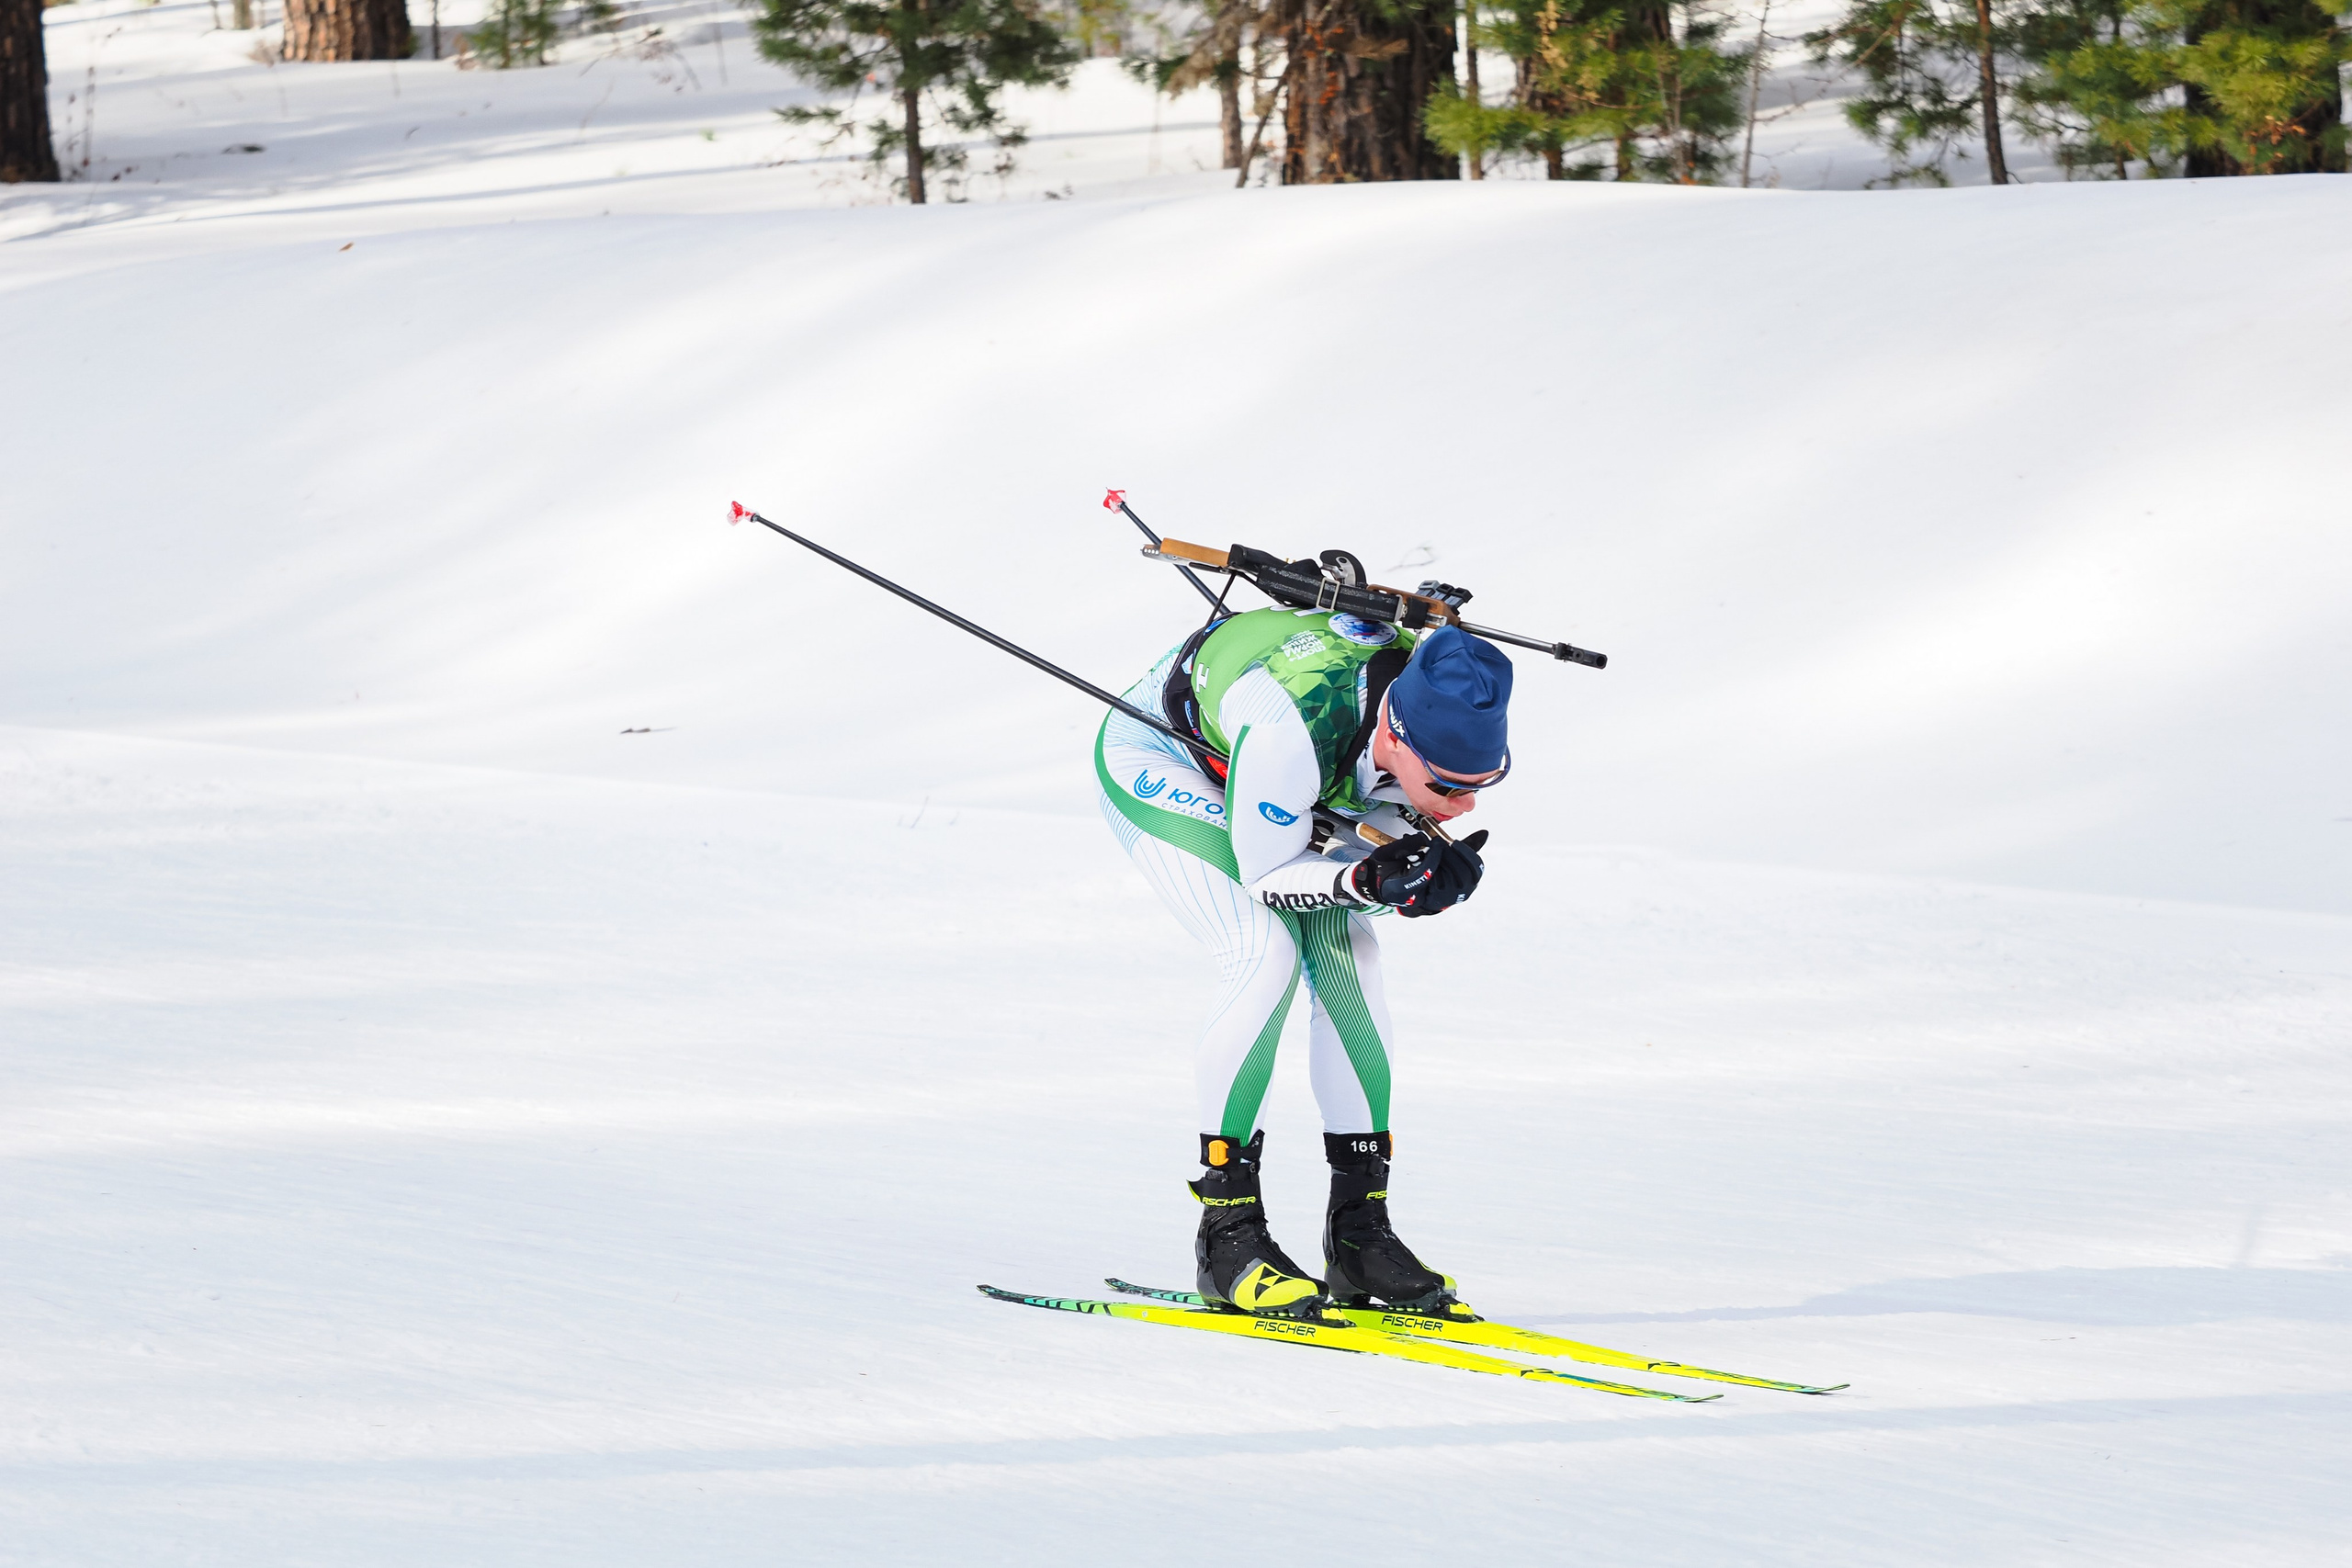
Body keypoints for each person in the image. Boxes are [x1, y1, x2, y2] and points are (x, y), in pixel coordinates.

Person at [1096, 603, 1515, 1321]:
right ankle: (1226, 1235)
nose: (1463, 804)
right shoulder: (1296, 727)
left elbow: (1374, 835)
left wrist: (1408, 886)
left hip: (1286, 777)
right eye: (1447, 785)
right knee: (1263, 951)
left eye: (1484, 781)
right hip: (1165, 759)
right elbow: (1268, 873)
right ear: (1394, 733)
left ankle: (1359, 1230)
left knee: (1353, 955)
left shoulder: (1425, 707)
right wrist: (1369, 879)